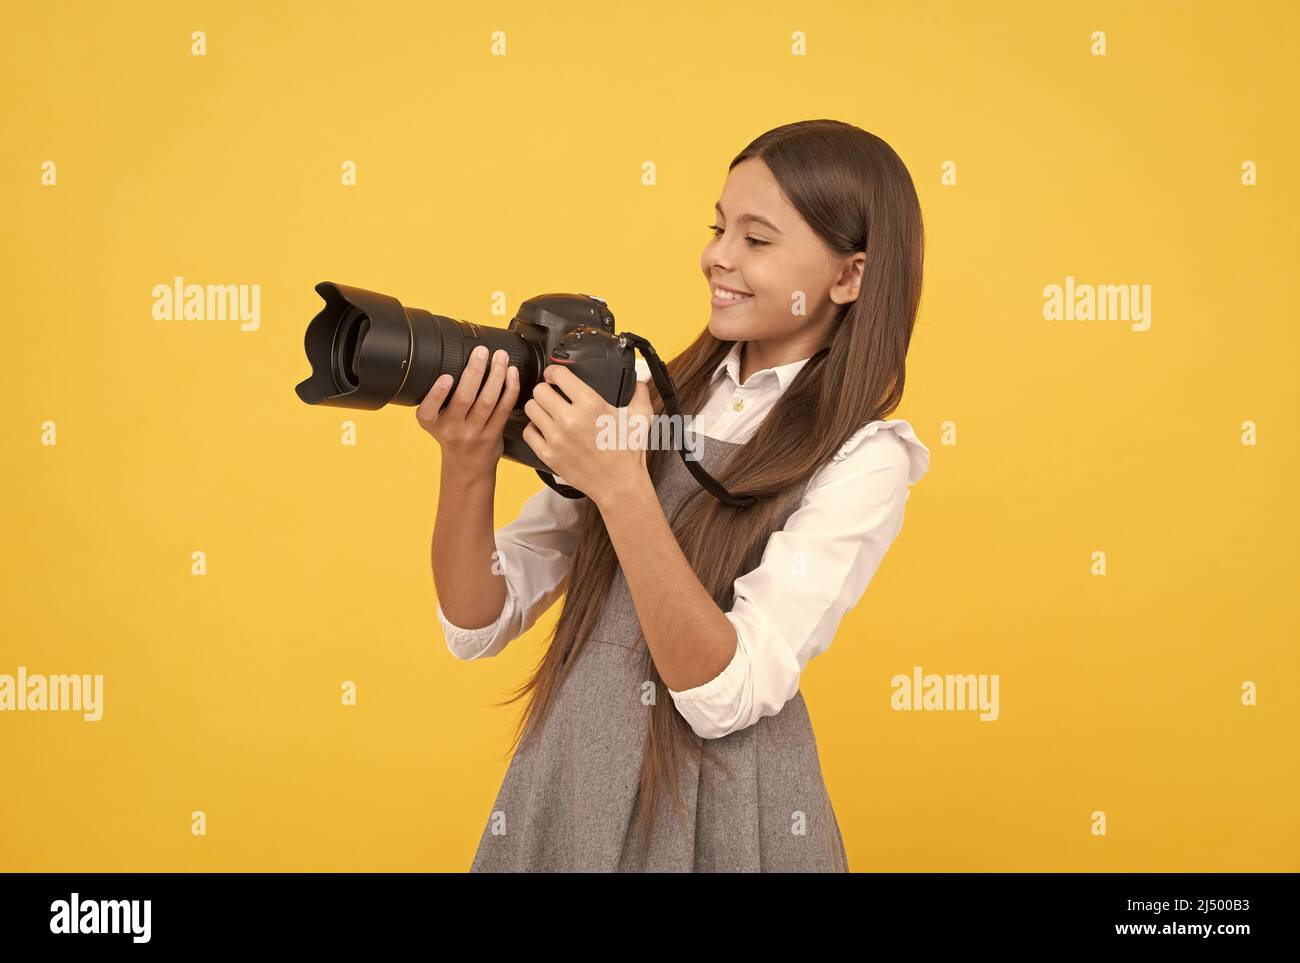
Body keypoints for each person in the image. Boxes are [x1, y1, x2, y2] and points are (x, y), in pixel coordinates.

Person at [419, 119, 930, 872]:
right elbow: (477, 619)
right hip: (575, 775)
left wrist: (623, 484)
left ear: (849, 276)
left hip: (720, 810)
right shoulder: (645, 397)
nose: (717, 256)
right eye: (719, 227)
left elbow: (724, 690)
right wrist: (467, 463)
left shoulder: (865, 457)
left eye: (757, 239)